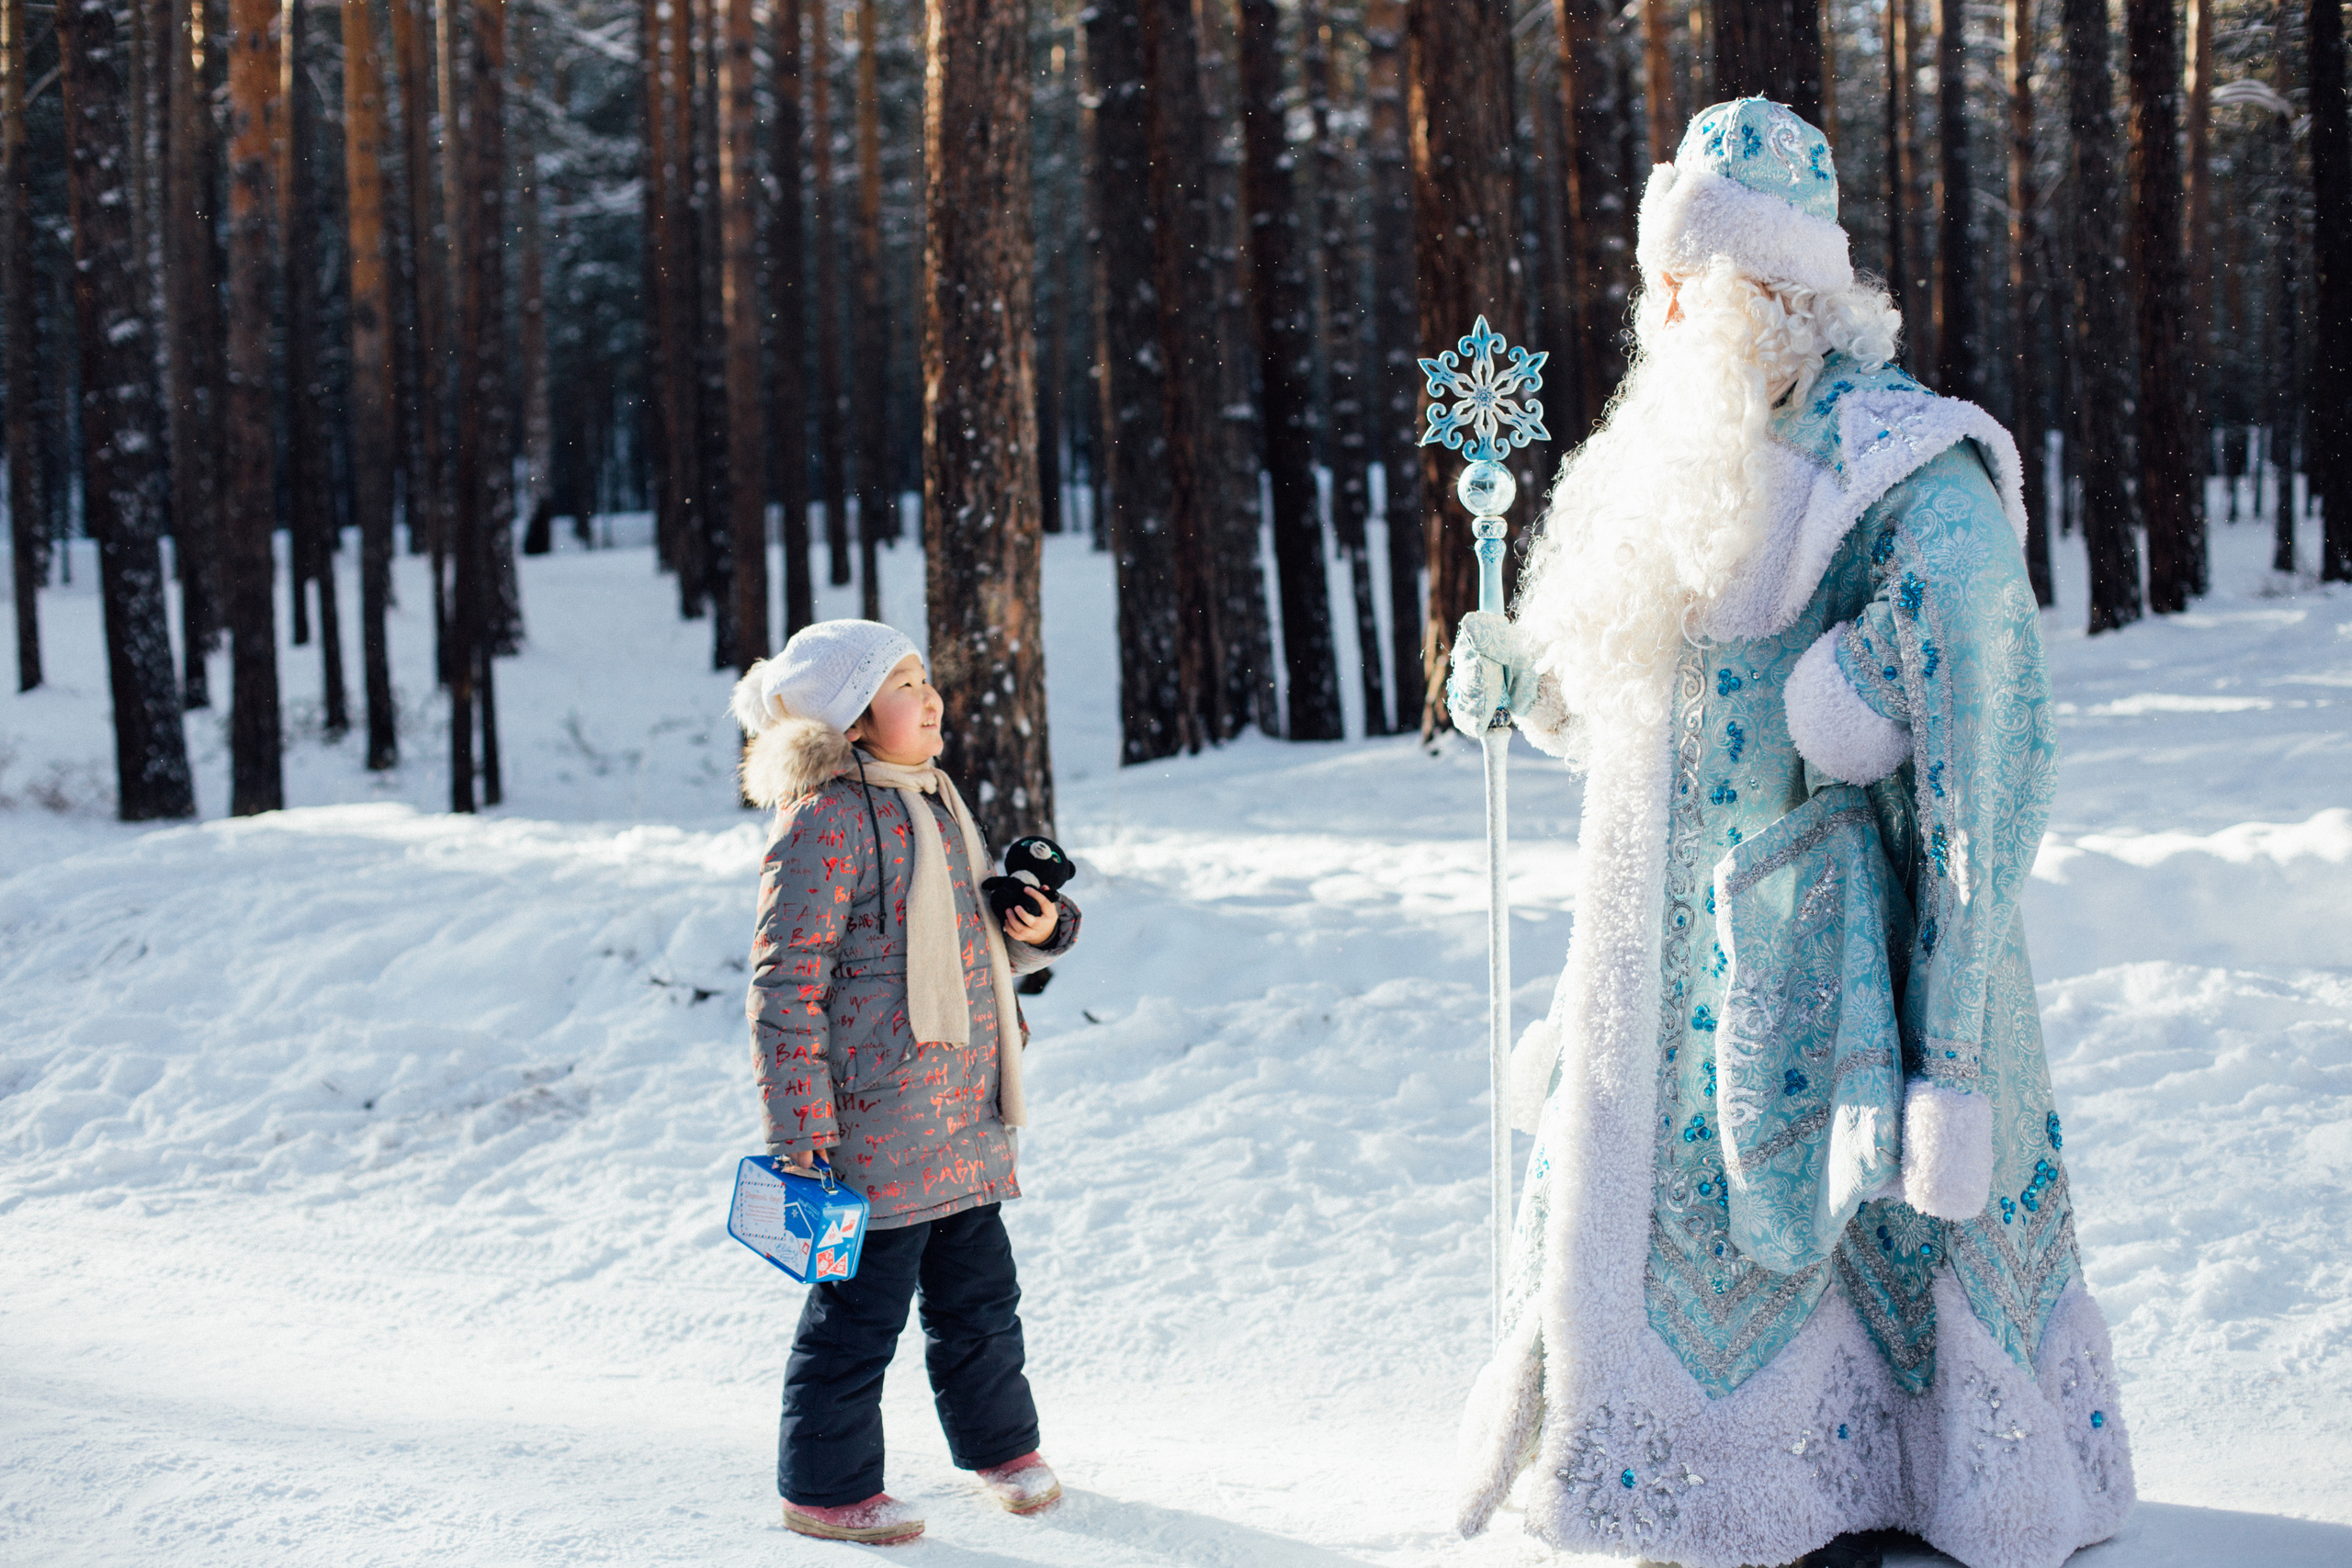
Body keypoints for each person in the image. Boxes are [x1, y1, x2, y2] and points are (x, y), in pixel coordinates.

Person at [1445, 100, 2133, 1568]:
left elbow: (1991, 698)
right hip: (1647, 949)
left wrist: (1868, 680)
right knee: (1671, 1217)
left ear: (1779, 287)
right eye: (1664, 283)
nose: (1666, 308)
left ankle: (1877, 1477)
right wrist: (1531, 677)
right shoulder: (1663, 461)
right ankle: (1660, 1473)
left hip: (1828, 953)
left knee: (1834, 1221)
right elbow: (1631, 684)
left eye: (1691, 283)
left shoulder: (1896, 457)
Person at [733, 618, 1080, 1547]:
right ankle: (825, 1486)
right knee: (858, 1317)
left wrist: (1037, 931)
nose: (929, 699)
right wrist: (797, 1128)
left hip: (962, 1109)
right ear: (849, 718)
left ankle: (1000, 1449)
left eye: (924, 678)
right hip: (871, 1125)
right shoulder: (824, 820)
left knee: (980, 1300)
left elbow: (968, 948)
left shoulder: (932, 796)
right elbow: (786, 979)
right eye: (901, 686)